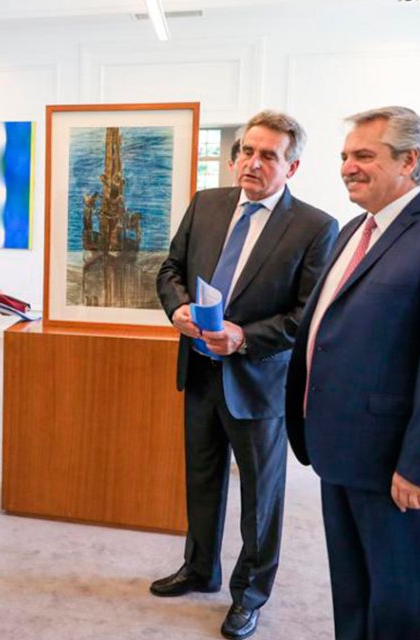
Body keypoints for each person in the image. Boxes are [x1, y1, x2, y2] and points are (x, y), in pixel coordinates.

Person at [285, 106, 420, 640]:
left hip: (400, 465)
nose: (347, 167)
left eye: (364, 155)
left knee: (396, 603)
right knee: (353, 594)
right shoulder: (356, 229)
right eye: (344, 156)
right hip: (341, 450)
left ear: (410, 160)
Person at [153, 110, 337, 639]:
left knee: (261, 497)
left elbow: (308, 317)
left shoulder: (315, 227)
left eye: (268, 156)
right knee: (202, 477)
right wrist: (179, 310)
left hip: (258, 383)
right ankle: (199, 568)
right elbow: (170, 268)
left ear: (292, 166)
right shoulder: (207, 204)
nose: (252, 163)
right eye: (246, 152)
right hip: (201, 371)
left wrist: (244, 337)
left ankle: (249, 594)